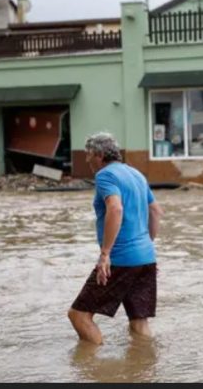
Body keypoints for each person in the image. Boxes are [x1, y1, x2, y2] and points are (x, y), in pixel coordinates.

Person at [68, 132, 163, 345]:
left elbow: (115, 208)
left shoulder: (105, 176)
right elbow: (156, 211)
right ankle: (144, 369)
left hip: (120, 259)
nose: (86, 159)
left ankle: (94, 370)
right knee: (140, 322)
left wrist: (105, 254)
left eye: (88, 154)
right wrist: (147, 247)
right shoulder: (136, 174)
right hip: (145, 258)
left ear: (100, 155)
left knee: (78, 316)